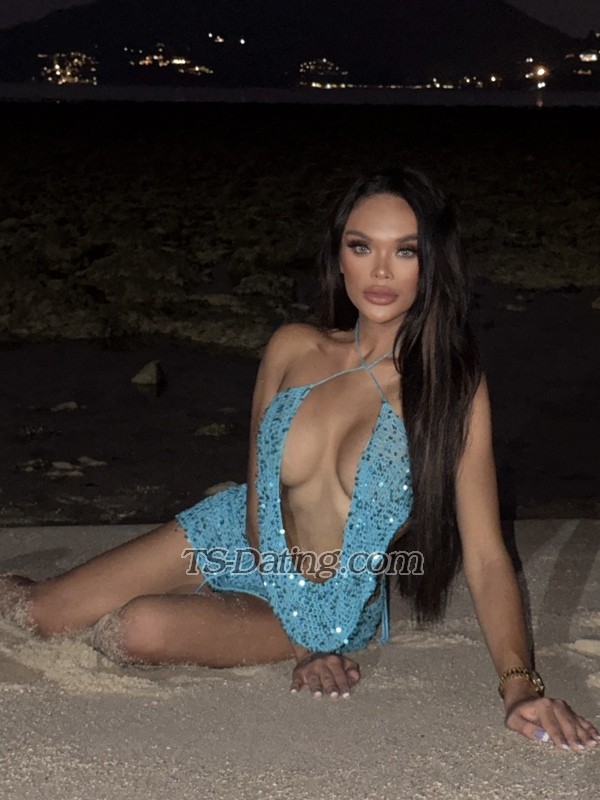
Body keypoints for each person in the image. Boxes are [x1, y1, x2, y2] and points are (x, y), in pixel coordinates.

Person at [1, 168, 598, 752]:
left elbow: (488, 558)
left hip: (330, 606)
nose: (381, 270)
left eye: (405, 251)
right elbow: (258, 497)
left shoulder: (448, 390)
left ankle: (224, 619)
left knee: (131, 630)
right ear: (340, 257)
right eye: (361, 246)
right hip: (237, 536)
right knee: (38, 613)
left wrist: (520, 688)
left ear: (433, 263)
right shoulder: (292, 348)